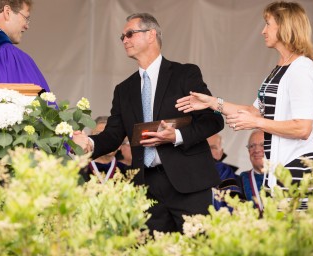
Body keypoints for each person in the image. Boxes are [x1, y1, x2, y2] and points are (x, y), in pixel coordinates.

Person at [74, 13, 223, 233]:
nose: (124, 40)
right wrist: (89, 143)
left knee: (197, 247)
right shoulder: (124, 89)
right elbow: (113, 135)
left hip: (189, 182)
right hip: (147, 186)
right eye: (122, 37)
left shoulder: (185, 74)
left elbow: (213, 120)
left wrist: (177, 136)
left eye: (130, 34)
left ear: (152, 34)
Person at [176, 1, 313, 209]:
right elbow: (253, 111)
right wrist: (212, 102)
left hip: (296, 166)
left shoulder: (301, 68)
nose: (263, 31)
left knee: (295, 238)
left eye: (268, 24)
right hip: (278, 169)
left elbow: (302, 128)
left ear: (284, 26)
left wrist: (256, 122)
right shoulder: (280, 69)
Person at [82, 116, 128, 183]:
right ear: (90, 140)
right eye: (99, 135)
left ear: (120, 145)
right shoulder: (79, 170)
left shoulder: (128, 172)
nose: (106, 141)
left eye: (111, 136)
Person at [240, 130, 265, 210]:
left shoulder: (284, 178)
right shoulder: (241, 180)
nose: (257, 150)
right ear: (248, 151)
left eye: (263, 145)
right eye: (252, 146)